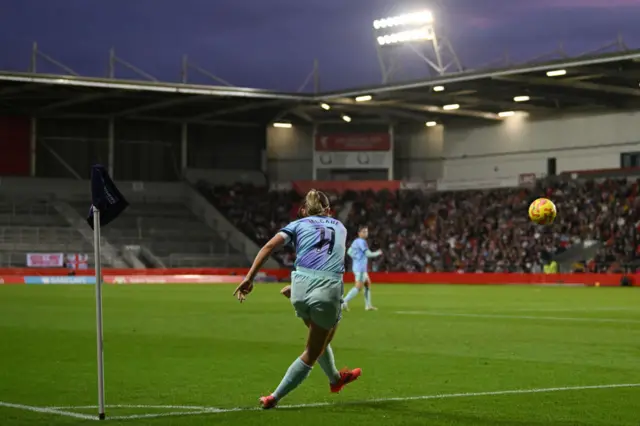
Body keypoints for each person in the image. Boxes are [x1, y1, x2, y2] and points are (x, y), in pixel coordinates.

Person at [233, 189, 361, 409]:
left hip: (300, 286)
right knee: (315, 348)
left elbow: (269, 246)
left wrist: (249, 278)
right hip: (327, 289)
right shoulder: (341, 227)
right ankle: (275, 396)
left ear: (303, 211)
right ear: (329, 210)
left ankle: (335, 379)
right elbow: (330, 253)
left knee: (318, 335)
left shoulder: (296, 225)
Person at [342, 226, 382, 311]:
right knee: (358, 287)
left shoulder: (355, 241)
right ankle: (344, 301)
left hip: (359, 267)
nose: (365, 233)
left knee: (367, 284)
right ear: (359, 233)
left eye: (366, 231)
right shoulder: (362, 242)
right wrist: (377, 253)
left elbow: (349, 252)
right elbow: (368, 254)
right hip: (360, 268)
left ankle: (368, 305)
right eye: (363, 232)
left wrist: (356, 257)